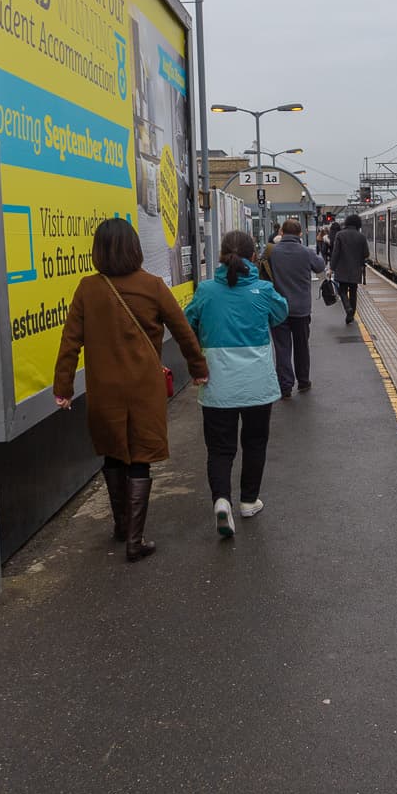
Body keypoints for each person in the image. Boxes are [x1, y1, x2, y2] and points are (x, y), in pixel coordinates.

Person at [51, 217, 207, 563]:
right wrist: (198, 369)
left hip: (104, 387)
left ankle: (122, 525)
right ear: (135, 248)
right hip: (143, 386)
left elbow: (69, 343)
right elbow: (183, 331)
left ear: (98, 251)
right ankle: (135, 540)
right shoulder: (152, 286)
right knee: (140, 456)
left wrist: (62, 387)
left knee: (113, 452)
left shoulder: (87, 288)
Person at [185, 229, 290, 538]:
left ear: (220, 255)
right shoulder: (263, 289)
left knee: (219, 448)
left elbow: (187, 321)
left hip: (217, 383)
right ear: (253, 256)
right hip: (257, 383)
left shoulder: (205, 291)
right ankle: (248, 500)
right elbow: (281, 314)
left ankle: (221, 500)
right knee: (255, 442)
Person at [258, 218, 325, 398]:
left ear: (281, 233)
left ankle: (285, 386)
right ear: (300, 234)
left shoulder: (273, 252)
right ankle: (303, 381)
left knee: (282, 348)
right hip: (301, 309)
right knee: (302, 346)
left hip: (278, 308)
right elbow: (320, 266)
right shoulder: (306, 252)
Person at [328, 212, 370, 324]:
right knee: (353, 292)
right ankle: (351, 315)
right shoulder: (361, 237)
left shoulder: (340, 235)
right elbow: (366, 254)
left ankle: (347, 308)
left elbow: (335, 253)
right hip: (356, 269)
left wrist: (331, 268)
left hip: (341, 268)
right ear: (358, 224)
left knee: (342, 290)